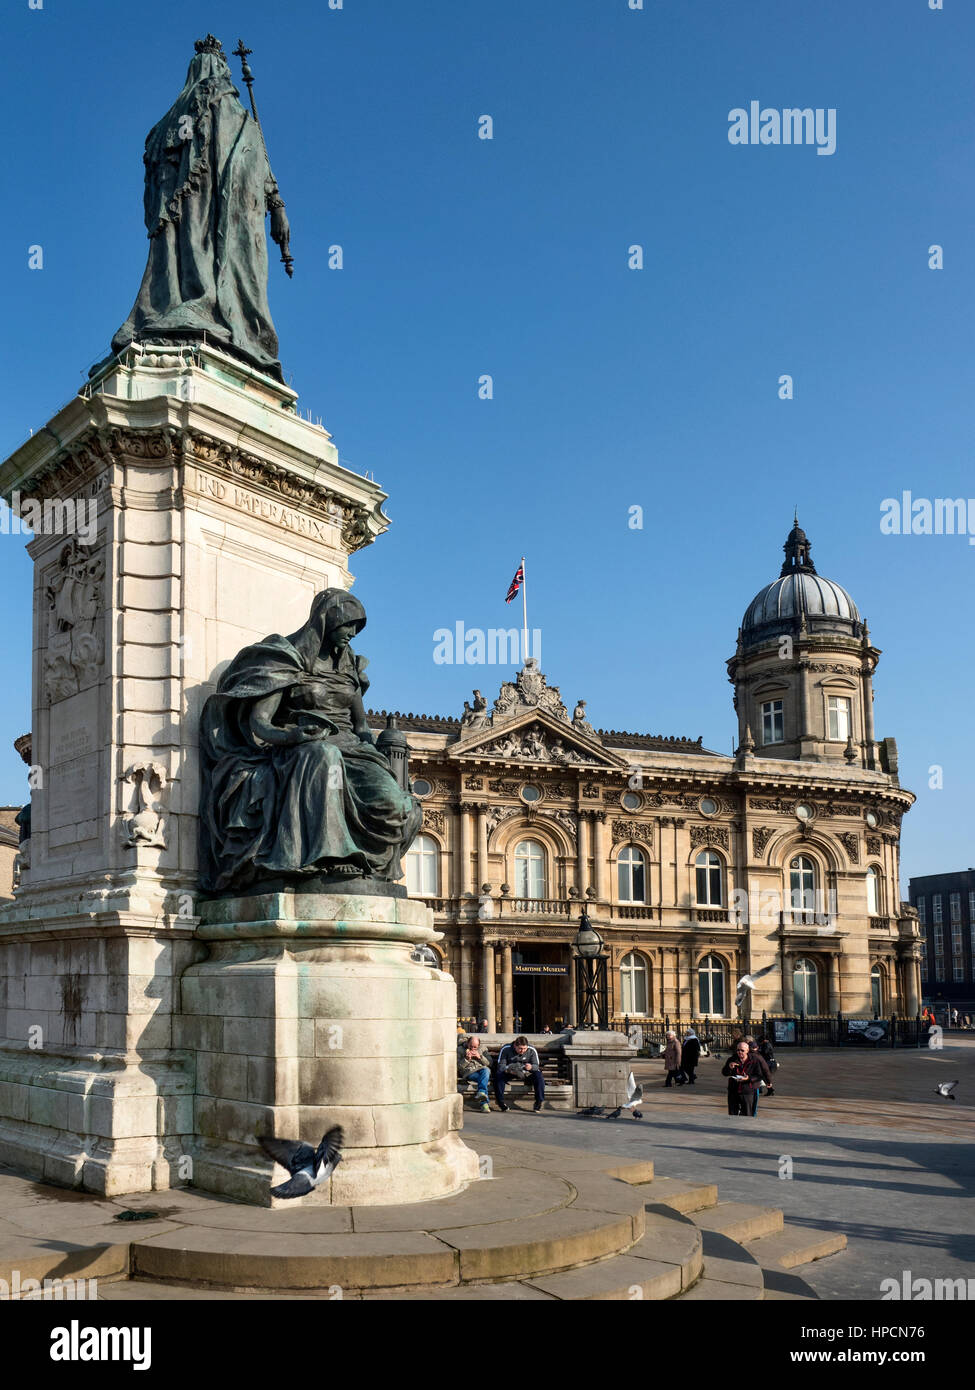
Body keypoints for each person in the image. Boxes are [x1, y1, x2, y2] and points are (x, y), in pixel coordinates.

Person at [199, 589, 421, 892]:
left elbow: (361, 725)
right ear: (327, 620)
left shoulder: (350, 667)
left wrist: (373, 748)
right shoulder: (288, 659)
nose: (352, 634)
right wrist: (290, 736)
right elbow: (260, 723)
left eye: (357, 628)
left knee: (396, 800)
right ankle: (328, 858)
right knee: (323, 757)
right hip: (299, 747)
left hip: (352, 748)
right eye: (348, 625)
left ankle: (373, 867)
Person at [495, 1036, 546, 1112]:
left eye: (525, 1049)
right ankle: (500, 1102)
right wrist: (511, 1070)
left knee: (539, 1076)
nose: (523, 1051)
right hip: (510, 1072)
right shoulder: (506, 1048)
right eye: (520, 1048)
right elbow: (501, 1066)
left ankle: (539, 1102)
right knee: (499, 1076)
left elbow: (536, 1065)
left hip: (526, 1073)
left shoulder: (531, 1050)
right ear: (515, 1045)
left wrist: (531, 1067)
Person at [722, 1040, 772, 1116]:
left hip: (748, 1091)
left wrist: (748, 1078)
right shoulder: (732, 1059)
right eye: (738, 1050)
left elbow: (759, 1075)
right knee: (732, 1115)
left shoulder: (754, 1060)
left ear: (747, 1050)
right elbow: (724, 1073)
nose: (739, 1052)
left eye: (742, 1050)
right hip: (733, 1090)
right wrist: (729, 1067)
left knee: (747, 1114)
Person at [458, 1037, 491, 1112]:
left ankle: (482, 1094)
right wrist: (466, 1059)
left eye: (475, 1047)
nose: (472, 1048)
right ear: (467, 1043)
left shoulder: (483, 1049)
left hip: (481, 1070)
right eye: (471, 1046)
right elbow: (458, 1067)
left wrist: (480, 1057)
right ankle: (484, 1102)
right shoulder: (460, 1050)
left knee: (486, 1070)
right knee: (484, 1079)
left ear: (479, 1045)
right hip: (469, 1072)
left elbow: (490, 1063)